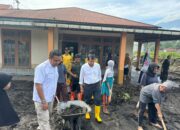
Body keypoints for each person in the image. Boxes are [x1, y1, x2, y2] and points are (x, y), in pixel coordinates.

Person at [33, 49, 61, 130]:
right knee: (45, 122)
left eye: (59, 60)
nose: (57, 62)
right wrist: (43, 101)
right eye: (56, 60)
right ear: (50, 58)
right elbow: (38, 85)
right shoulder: (41, 68)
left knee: (45, 119)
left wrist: (54, 93)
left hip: (50, 98)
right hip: (41, 100)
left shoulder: (55, 67)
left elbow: (52, 82)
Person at [79, 53, 102, 123]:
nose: (91, 63)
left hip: (97, 84)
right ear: (87, 60)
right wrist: (81, 87)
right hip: (88, 85)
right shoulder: (83, 67)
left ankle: (97, 115)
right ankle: (87, 113)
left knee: (98, 100)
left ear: (94, 60)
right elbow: (81, 77)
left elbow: (99, 75)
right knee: (87, 100)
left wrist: (100, 84)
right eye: (90, 61)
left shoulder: (97, 65)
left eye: (93, 61)